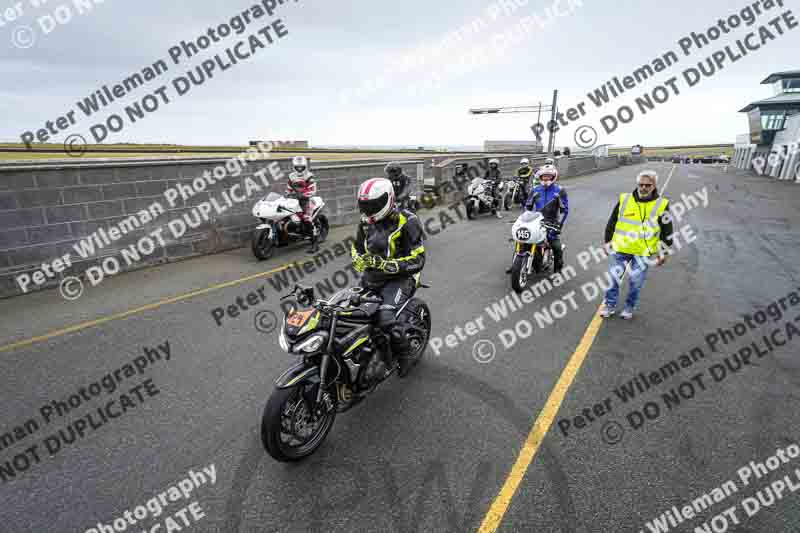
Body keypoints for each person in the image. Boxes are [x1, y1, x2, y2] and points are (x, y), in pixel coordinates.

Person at [351, 177, 426, 375]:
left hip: (402, 278)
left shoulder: (408, 220)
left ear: (388, 199)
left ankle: (406, 355)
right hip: (372, 277)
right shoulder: (365, 222)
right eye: (364, 205)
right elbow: (357, 247)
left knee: (385, 318)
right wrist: (358, 259)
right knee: (350, 311)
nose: (368, 210)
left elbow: (419, 259)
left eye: (373, 205)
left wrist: (387, 265)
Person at [600, 169, 673, 319]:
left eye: (648, 185)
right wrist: (607, 241)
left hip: (643, 252)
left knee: (635, 283)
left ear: (654, 186)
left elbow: (667, 230)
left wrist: (663, 252)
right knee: (612, 278)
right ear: (637, 184)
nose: (644, 188)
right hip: (621, 248)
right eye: (641, 185)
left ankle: (629, 307)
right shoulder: (625, 199)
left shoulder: (662, 204)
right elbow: (612, 221)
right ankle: (610, 305)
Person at [519, 164, 568, 274]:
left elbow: (565, 211)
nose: (545, 178)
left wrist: (559, 225)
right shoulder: (535, 190)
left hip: (551, 222)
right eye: (543, 176)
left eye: (548, 176)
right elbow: (528, 206)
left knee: (556, 247)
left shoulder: (560, 190)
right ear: (540, 177)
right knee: (523, 240)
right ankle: (517, 264)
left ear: (553, 177)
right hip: (536, 221)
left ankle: (557, 270)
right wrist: (524, 219)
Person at [286, 155, 319, 253]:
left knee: (307, 219)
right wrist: (288, 194)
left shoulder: (309, 176)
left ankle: (315, 244)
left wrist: (304, 195)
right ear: (294, 166)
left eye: (301, 167)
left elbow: (313, 189)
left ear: (305, 166)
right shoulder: (291, 176)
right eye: (297, 167)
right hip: (294, 200)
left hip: (305, 200)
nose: (299, 169)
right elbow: (288, 188)